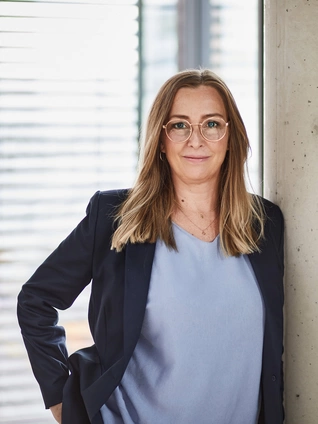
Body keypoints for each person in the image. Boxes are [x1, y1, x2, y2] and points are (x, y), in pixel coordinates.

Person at [17, 69, 284, 424]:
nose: (196, 139)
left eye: (212, 124)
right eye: (179, 125)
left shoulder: (265, 224)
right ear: (160, 139)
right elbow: (36, 300)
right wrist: (59, 400)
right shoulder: (114, 218)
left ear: (231, 136)